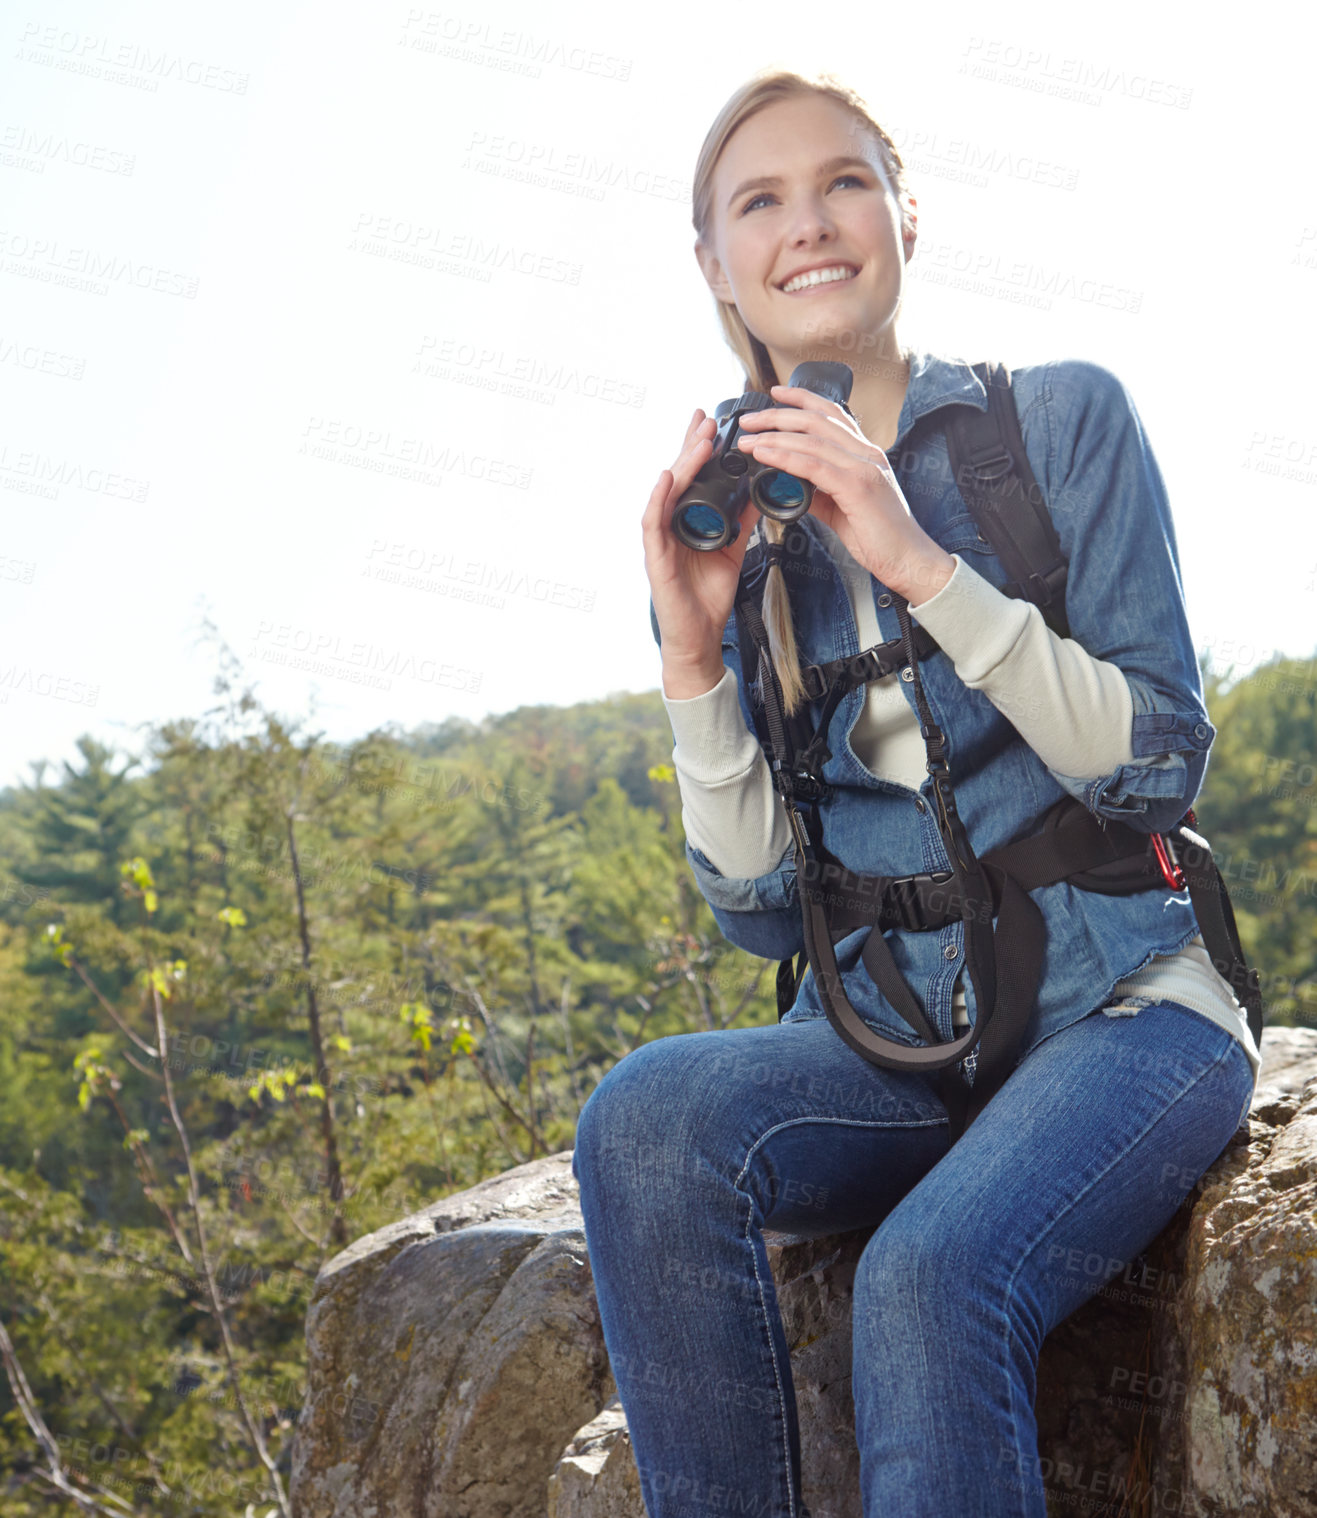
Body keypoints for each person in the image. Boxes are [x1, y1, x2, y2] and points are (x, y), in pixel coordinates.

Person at [571, 68, 1260, 1518]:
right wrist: (693, 655)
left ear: (899, 215)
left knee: (928, 1279)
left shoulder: (1054, 426)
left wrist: (912, 559)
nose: (806, 224)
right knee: (642, 1121)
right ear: (713, 264)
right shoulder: (727, 522)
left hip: (1121, 1007)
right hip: (887, 1035)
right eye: (756, 201)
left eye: (841, 182)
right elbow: (761, 911)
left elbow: (1154, 760)